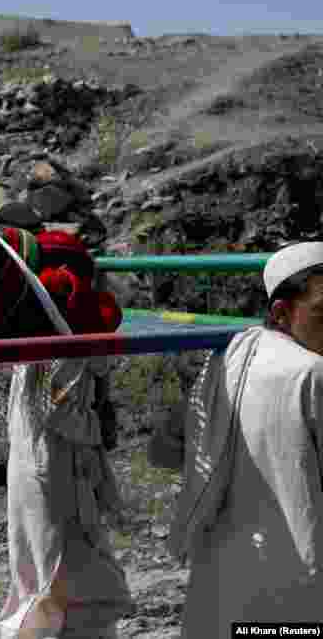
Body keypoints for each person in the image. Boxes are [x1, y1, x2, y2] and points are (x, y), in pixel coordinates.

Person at [148, 241, 323, 637]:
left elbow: (166, 450)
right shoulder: (311, 374)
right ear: (282, 313)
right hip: (302, 585)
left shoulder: (226, 359)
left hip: (228, 579)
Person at [0, 233, 133, 639]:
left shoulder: (44, 340)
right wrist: (96, 435)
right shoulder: (66, 344)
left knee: (43, 559)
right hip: (54, 467)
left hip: (38, 464)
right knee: (61, 561)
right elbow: (61, 416)